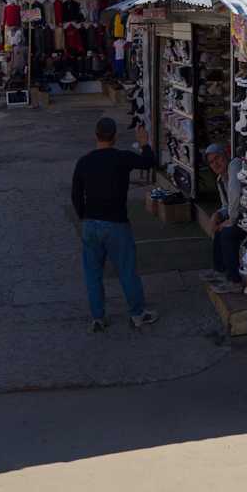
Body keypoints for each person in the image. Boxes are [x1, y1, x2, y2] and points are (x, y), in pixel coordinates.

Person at [71, 116, 159, 331]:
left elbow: (75, 195)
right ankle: (137, 314)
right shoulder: (122, 158)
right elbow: (149, 161)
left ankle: (98, 318)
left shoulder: (84, 162)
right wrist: (144, 141)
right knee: (127, 270)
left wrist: (84, 215)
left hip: (91, 224)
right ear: (115, 137)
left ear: (96, 135)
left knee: (93, 274)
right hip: (116, 224)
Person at [201, 143, 245, 284]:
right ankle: (220, 270)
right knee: (219, 228)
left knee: (227, 232)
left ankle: (234, 281)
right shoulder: (220, 179)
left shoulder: (235, 165)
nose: (216, 164)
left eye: (218, 158)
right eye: (212, 162)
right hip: (240, 216)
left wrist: (230, 220)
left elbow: (235, 194)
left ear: (225, 155)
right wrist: (217, 215)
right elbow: (226, 205)